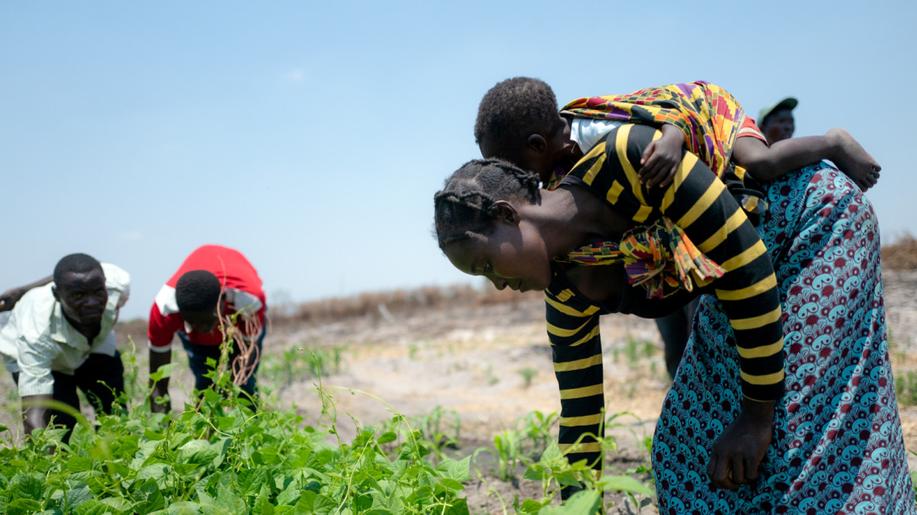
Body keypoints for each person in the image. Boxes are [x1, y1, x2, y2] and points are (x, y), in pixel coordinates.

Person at [439, 112, 913, 510]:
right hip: (734, 281)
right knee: (682, 449)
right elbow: (581, 417)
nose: (497, 283)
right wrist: (575, 504)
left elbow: (747, 267)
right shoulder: (564, 292)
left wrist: (755, 416)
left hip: (811, 224)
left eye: (487, 264)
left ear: (508, 215)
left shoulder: (628, 157)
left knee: (803, 433)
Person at [475, 78, 882, 379]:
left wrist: (672, 139)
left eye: (510, 166)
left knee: (761, 162)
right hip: (683, 174)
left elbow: (663, 115)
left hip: (704, 118)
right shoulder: (557, 175)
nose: (510, 178)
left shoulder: (596, 134)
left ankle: (832, 142)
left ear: (536, 146)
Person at [0, 254, 130, 439]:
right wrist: (44, 455)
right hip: (46, 355)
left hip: (92, 344)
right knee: (62, 426)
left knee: (114, 408)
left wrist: (22, 289)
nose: (92, 302)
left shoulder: (117, 283)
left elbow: (87, 269)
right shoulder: (36, 332)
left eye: (98, 292)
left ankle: (112, 454)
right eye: (79, 295)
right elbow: (35, 413)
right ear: (57, 295)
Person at [148, 244, 266, 412]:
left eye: (207, 322)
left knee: (245, 386)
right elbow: (157, 382)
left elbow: (245, 360)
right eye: (192, 323)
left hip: (239, 324)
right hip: (203, 328)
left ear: (223, 302)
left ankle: (250, 432)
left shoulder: (249, 302)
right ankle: (207, 430)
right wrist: (159, 428)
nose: (203, 330)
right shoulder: (164, 310)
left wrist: (235, 386)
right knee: (206, 386)